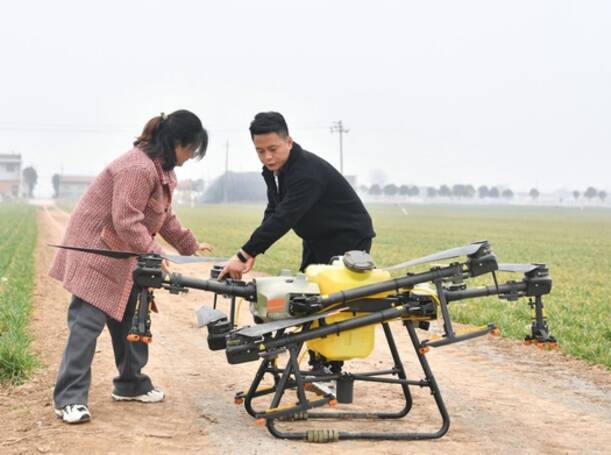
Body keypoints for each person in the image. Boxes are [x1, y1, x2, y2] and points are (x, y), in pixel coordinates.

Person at [49, 110, 212, 424]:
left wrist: (189, 245)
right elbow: (126, 220)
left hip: (123, 255)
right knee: (87, 325)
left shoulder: (163, 171)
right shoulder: (137, 168)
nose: (191, 157)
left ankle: (130, 384)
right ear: (177, 142)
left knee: (132, 320)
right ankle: (69, 398)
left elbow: (163, 216)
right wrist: (154, 252)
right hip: (97, 253)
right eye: (191, 150)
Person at [220, 111, 375, 279]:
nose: (268, 157)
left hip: (346, 238)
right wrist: (252, 252)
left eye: (273, 149)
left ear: (289, 142)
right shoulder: (273, 170)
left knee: (334, 294)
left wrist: (243, 254)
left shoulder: (306, 173)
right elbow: (273, 210)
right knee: (309, 291)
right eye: (260, 151)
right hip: (315, 239)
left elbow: (285, 217)